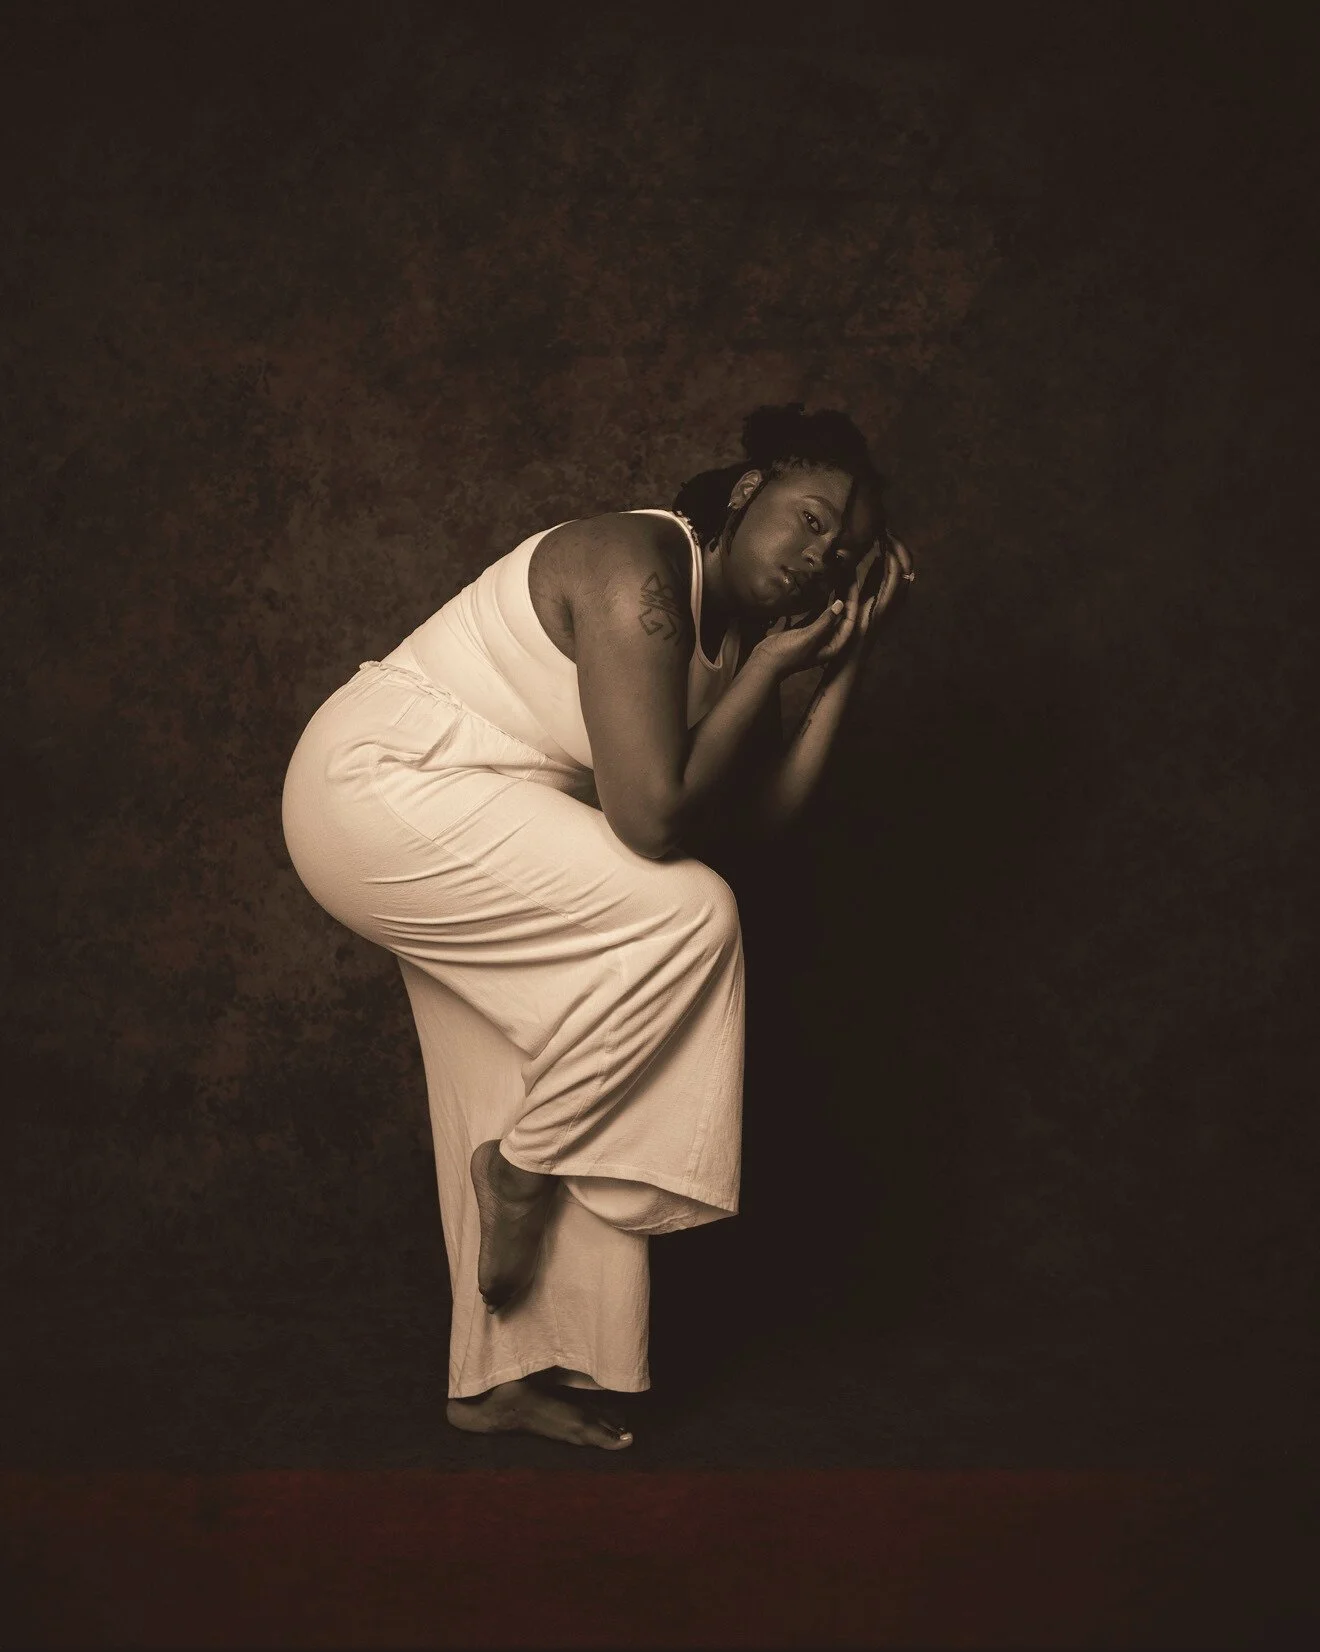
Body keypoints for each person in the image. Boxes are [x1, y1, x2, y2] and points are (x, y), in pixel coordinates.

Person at [281, 402, 914, 1451]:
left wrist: (842, 665)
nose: (821, 556)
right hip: (383, 787)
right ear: (748, 490)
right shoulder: (637, 566)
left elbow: (761, 823)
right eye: (811, 519)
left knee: (553, 1061)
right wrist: (769, 672)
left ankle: (496, 1381)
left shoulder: (732, 639)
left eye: (844, 552)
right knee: (687, 912)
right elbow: (654, 823)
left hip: (483, 812)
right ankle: (520, 1169)